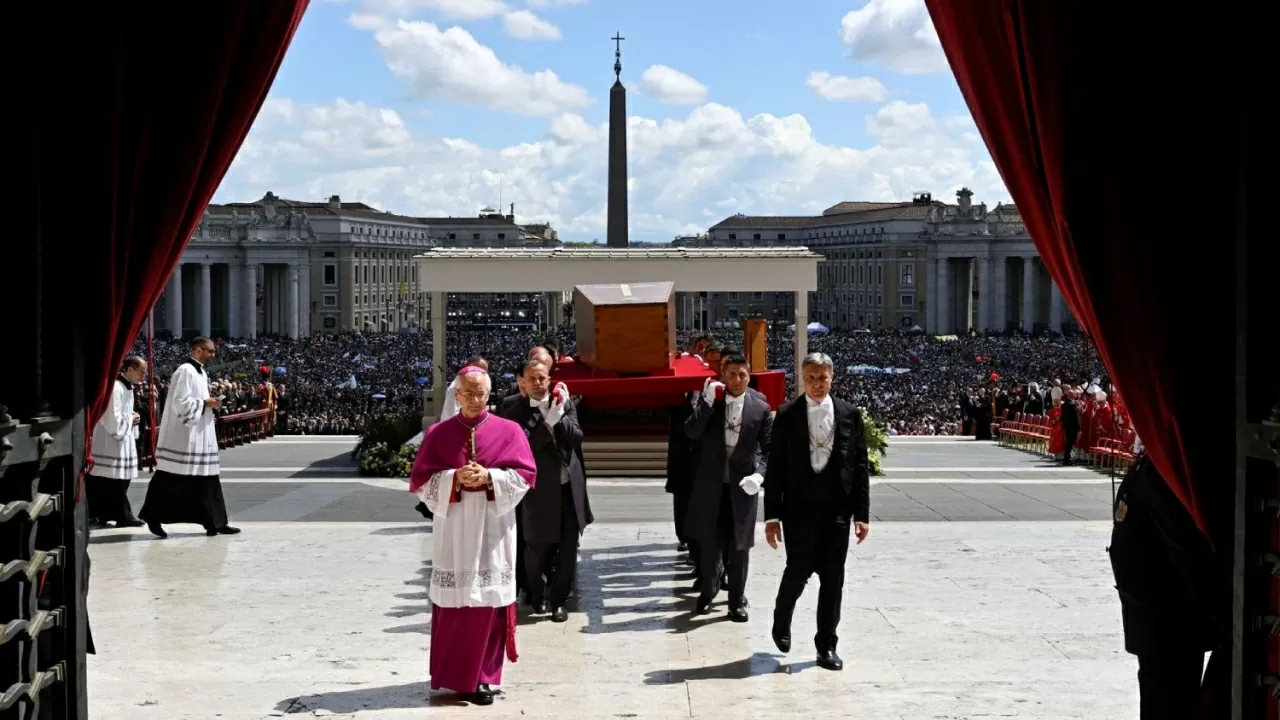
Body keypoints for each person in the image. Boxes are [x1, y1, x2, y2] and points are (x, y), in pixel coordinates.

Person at [409, 366, 537, 706]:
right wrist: (454, 478)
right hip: (455, 530)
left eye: (481, 394)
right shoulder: (438, 434)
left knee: (489, 603)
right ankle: (453, 676)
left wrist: (491, 478)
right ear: (457, 394)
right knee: (456, 606)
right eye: (468, 393)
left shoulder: (509, 432)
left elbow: (525, 476)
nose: (475, 400)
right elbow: (420, 481)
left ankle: (482, 677)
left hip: (493, 530)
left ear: (489, 394)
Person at [764, 352, 870, 671]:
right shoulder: (787, 414)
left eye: (822, 377)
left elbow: (860, 466)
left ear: (832, 377)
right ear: (802, 378)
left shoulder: (850, 414)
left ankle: (826, 645)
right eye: (810, 377)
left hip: (837, 514)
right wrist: (771, 518)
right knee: (797, 574)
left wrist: (861, 515)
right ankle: (782, 620)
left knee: (833, 581)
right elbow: (776, 469)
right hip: (798, 513)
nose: (817, 383)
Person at [501, 359, 592, 622]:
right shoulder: (514, 412)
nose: (538, 383)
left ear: (549, 379)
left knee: (567, 550)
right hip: (537, 492)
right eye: (533, 379)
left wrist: (560, 418)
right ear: (523, 382)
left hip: (567, 489)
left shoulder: (564, 403)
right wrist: (546, 427)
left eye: (542, 378)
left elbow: (576, 437)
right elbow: (520, 450)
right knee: (535, 550)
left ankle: (559, 601)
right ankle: (537, 593)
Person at [684, 353, 772, 620]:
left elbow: (770, 451)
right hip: (712, 486)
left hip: (742, 488)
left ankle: (736, 600)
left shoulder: (760, 407)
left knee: (740, 547)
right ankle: (707, 594)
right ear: (722, 375)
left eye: (742, 374)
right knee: (711, 545)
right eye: (731, 374)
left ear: (749, 375)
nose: (737, 380)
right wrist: (708, 403)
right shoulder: (711, 400)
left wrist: (759, 476)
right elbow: (691, 431)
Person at [139, 337, 240, 538]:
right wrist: (205, 403)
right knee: (170, 478)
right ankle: (153, 516)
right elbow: (180, 403)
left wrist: (209, 403)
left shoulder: (200, 372)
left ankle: (215, 522)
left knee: (208, 479)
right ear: (197, 350)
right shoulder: (185, 371)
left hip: (201, 433)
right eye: (209, 351)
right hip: (185, 436)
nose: (213, 354)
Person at [86, 355, 147, 528]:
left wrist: (131, 418)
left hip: (122, 440)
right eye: (141, 372)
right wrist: (131, 419)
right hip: (110, 442)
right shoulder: (115, 388)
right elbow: (112, 419)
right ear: (129, 370)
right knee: (114, 482)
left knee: (116, 481)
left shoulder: (127, 387)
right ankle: (123, 515)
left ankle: (105, 514)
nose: (143, 376)